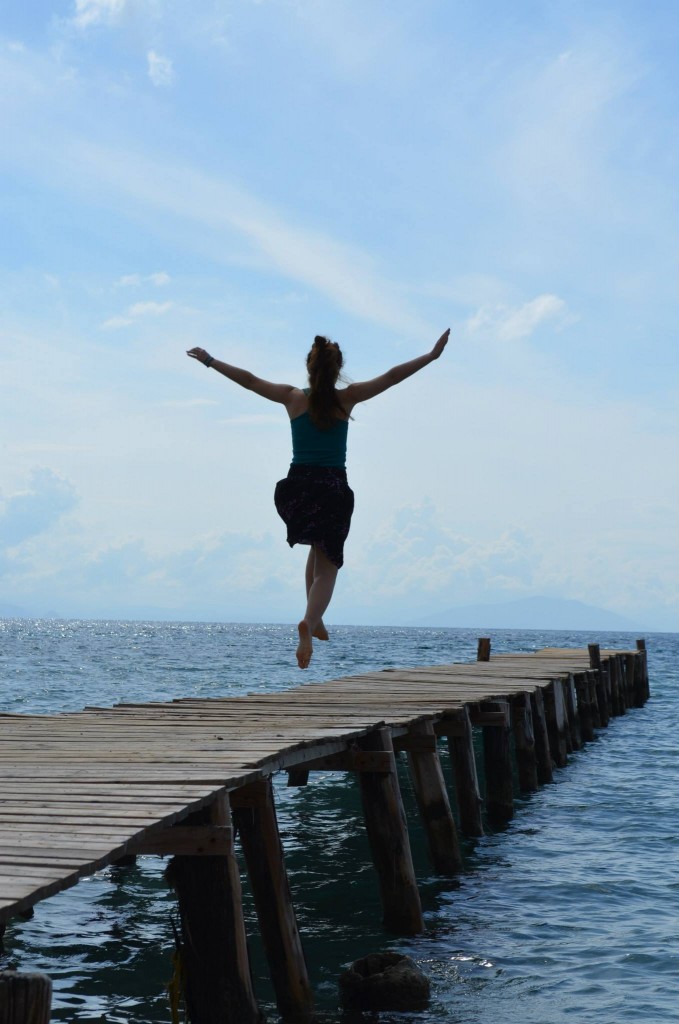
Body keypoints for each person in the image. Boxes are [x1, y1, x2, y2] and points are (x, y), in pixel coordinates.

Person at [187, 329, 450, 668]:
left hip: (298, 485)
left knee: (315, 549)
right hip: (332, 487)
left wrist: (209, 360)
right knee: (329, 566)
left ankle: (315, 617)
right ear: (337, 369)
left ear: (309, 368)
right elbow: (392, 377)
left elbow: (250, 381)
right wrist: (430, 357)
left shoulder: (292, 397)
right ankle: (309, 623)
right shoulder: (347, 398)